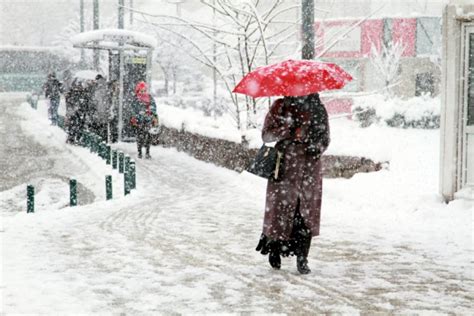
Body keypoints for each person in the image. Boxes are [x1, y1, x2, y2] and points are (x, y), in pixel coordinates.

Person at [255, 93, 330, 274]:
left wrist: (312, 145)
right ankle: (274, 249)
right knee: (279, 211)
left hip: (309, 169)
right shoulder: (280, 107)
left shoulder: (318, 109)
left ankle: (302, 258)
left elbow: (325, 139)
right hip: (284, 168)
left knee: (305, 214)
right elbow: (266, 135)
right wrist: (288, 131)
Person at [130, 81, 158, 159]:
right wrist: (139, 113)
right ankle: (139, 152)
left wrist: (151, 111)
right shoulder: (136, 99)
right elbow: (133, 109)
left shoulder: (150, 97)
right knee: (140, 136)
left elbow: (154, 106)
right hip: (139, 121)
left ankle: (147, 152)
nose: (143, 92)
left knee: (149, 136)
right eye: (141, 90)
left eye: (144, 90)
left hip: (148, 120)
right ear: (138, 91)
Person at [90, 74, 109, 141]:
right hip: (104, 111)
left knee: (98, 128)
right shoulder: (105, 87)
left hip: (99, 110)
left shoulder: (98, 88)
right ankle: (103, 141)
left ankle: (100, 141)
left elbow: (95, 100)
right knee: (103, 127)